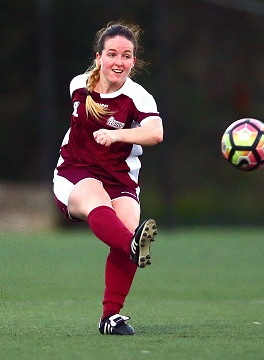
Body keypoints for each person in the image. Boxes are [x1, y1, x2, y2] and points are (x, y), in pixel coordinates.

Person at [53, 21, 163, 336]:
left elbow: (156, 133)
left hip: (121, 178)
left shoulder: (138, 97)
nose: (119, 61)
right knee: (100, 204)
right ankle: (133, 246)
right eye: (112, 54)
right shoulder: (79, 85)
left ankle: (110, 318)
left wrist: (119, 136)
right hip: (75, 171)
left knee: (127, 228)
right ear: (99, 56)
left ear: (134, 61)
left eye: (126, 56)